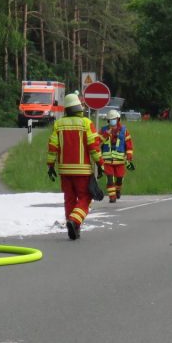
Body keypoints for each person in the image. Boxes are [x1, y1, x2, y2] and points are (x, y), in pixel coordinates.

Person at [46, 93, 104, 240]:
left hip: (64, 170)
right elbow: (93, 147)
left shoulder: (58, 124)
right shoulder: (86, 123)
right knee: (86, 197)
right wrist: (100, 163)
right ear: (79, 108)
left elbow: (53, 147)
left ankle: (73, 227)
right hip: (82, 170)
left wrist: (50, 165)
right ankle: (75, 221)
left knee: (69, 199)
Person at [99, 109, 135, 203]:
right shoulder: (103, 130)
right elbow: (97, 142)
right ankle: (112, 197)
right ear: (108, 120)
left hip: (120, 160)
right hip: (107, 160)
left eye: (114, 119)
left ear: (118, 119)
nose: (112, 121)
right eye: (110, 119)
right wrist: (106, 134)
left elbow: (129, 144)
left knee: (119, 178)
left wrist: (129, 155)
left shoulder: (124, 130)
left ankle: (118, 190)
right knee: (110, 180)